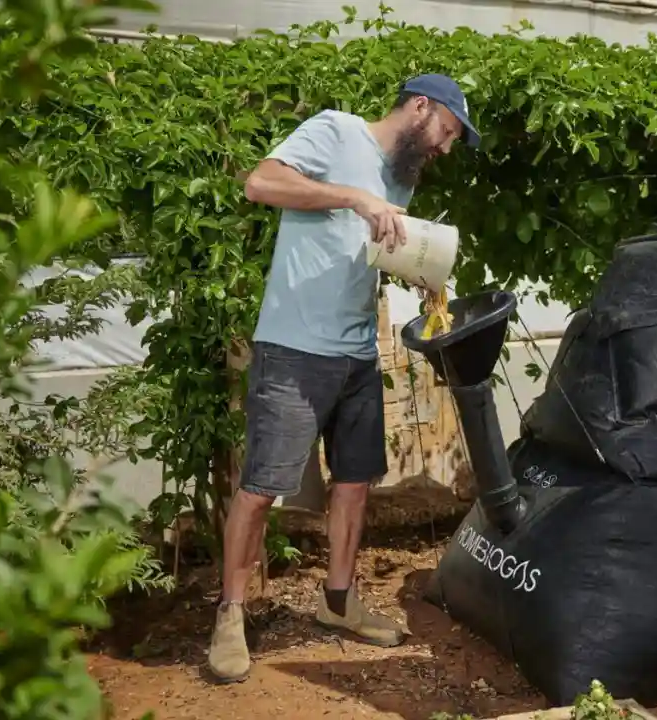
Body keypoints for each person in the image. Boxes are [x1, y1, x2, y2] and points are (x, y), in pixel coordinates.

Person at [206, 73, 481, 683]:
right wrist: (355, 198)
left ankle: (339, 601)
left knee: (355, 483)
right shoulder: (336, 131)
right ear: (419, 107)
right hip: (294, 349)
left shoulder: (400, 180)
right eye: (445, 132)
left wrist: (421, 272)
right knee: (260, 488)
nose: (443, 148)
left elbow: (374, 251)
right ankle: (229, 614)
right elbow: (260, 183)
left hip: (358, 353)